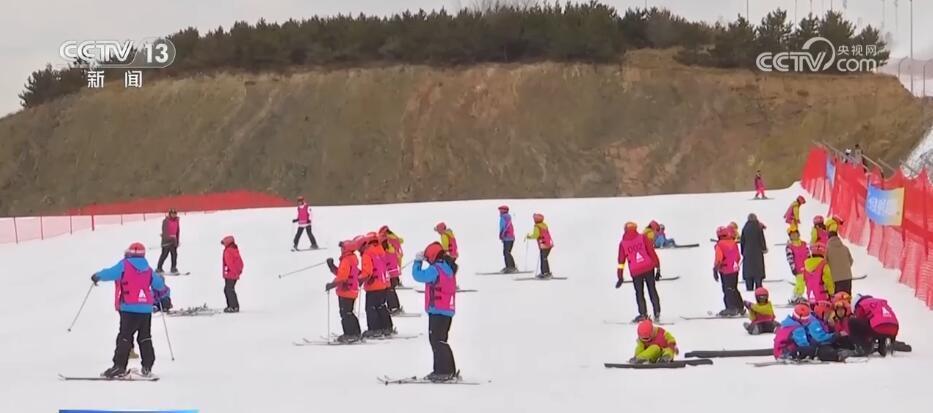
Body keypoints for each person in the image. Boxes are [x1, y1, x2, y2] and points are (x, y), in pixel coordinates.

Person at [91, 242, 166, 378]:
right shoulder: (148, 269)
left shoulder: (124, 265)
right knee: (145, 337)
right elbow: (159, 285)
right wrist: (161, 280)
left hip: (129, 307)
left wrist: (98, 276)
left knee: (125, 336)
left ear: (129, 253)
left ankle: (119, 366)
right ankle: (147, 366)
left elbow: (110, 273)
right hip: (145, 309)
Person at [412, 242, 460, 382]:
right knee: (441, 340)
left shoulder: (436, 269)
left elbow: (419, 276)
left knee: (436, 340)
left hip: (437, 310)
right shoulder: (447, 267)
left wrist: (417, 262)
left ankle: (442, 371)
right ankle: (447, 370)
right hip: (446, 310)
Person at [616, 222, 662, 322]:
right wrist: (658, 268)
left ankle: (643, 314)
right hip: (648, 268)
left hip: (635, 271)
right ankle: (657, 312)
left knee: (639, 293)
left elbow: (621, 261)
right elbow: (652, 253)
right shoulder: (643, 237)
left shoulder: (623, 244)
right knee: (652, 290)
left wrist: (620, 277)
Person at [773, 303, 847, 362]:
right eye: (806, 319)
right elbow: (804, 344)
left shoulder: (788, 322)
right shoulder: (797, 328)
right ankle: (835, 355)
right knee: (815, 350)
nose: (807, 322)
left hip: (781, 350)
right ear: (800, 317)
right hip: (786, 353)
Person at [325, 239, 363, 343]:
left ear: (346, 249)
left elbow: (342, 277)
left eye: (342, 247)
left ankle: (350, 334)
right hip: (351, 290)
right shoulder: (351, 259)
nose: (341, 249)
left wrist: (331, 285)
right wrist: (332, 267)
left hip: (346, 290)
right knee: (349, 312)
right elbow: (343, 273)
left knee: (345, 313)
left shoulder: (346, 260)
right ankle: (355, 332)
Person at [360, 233, 394, 337]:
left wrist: (360, 279)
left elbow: (368, 271)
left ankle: (374, 329)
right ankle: (387, 327)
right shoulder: (380, 250)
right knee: (381, 307)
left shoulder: (367, 253)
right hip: (383, 284)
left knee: (371, 308)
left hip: (373, 285)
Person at [713, 226, 744, 317]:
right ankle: (740, 307)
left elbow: (719, 259)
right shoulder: (733, 243)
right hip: (735, 270)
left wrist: (715, 269)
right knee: (734, 288)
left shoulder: (720, 245)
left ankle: (731, 308)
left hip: (726, 271)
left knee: (727, 289)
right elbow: (738, 257)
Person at [380, 226, 405, 314]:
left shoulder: (387, 248)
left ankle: (394, 308)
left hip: (390, 273)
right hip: (394, 271)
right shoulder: (393, 241)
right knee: (390, 290)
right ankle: (394, 307)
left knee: (389, 290)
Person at [740, 213, 768, 291]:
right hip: (758, 253)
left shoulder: (745, 228)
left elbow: (742, 242)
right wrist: (764, 248)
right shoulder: (758, 227)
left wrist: (743, 252)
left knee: (748, 272)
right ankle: (759, 287)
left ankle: (749, 287)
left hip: (747, 253)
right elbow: (762, 239)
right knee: (758, 272)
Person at [784, 226, 810, 304]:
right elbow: (790, 258)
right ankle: (794, 297)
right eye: (792, 235)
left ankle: (799, 296)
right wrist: (793, 268)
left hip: (806, 267)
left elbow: (808, 254)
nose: (794, 236)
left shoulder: (803, 244)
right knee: (800, 284)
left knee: (805, 283)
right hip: (798, 268)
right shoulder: (790, 246)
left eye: (795, 234)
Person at [525, 213, 554, 278]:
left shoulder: (537, 226)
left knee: (543, 259)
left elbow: (536, 235)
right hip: (549, 244)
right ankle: (547, 272)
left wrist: (529, 236)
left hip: (543, 245)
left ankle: (544, 273)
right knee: (545, 258)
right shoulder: (544, 225)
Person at [221, 235, 244, 313]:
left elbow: (229, 263)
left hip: (230, 274)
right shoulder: (235, 250)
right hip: (233, 274)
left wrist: (233, 272)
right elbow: (240, 262)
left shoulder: (228, 251)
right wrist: (238, 272)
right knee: (229, 289)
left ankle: (232, 306)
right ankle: (234, 306)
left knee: (228, 290)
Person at [156, 209, 180, 274]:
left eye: (175, 213)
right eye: (172, 213)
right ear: (170, 214)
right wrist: (168, 239)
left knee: (174, 255)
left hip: (173, 241)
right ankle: (159, 268)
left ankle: (173, 268)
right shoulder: (166, 221)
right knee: (164, 255)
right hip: (166, 241)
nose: (174, 215)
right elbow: (165, 231)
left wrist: (177, 240)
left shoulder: (177, 221)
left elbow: (177, 231)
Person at [498, 205, 517, 273]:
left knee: (506, 252)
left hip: (507, 237)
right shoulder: (507, 217)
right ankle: (510, 266)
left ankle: (510, 267)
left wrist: (501, 234)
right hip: (509, 237)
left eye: (500, 210)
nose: (499, 212)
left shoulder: (504, 217)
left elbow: (503, 227)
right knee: (507, 252)